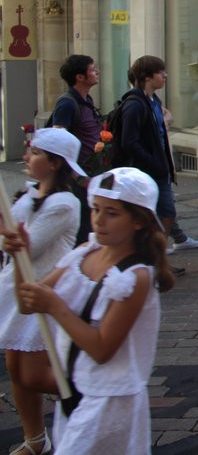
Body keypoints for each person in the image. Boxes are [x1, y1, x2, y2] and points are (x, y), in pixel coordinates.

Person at [3, 167, 173, 453]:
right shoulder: (84, 252)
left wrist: (55, 306)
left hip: (109, 401)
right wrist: (19, 256)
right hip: (73, 391)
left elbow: (102, 348)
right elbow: (27, 302)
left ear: (138, 221)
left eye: (112, 213)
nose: (99, 220)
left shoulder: (135, 277)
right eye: (95, 209)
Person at [0, 129, 82, 455]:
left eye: (34, 153)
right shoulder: (29, 193)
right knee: (15, 372)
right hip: (13, 291)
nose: (27, 157)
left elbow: (27, 249)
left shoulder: (65, 203)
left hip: (42, 292)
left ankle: (95, 395)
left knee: (34, 374)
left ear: (54, 163)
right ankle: (35, 439)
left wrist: (8, 236)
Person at [119, 56, 198, 274]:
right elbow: (129, 141)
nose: (165, 76)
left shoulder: (153, 101)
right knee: (157, 215)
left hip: (159, 169)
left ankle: (157, 261)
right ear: (146, 77)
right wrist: (153, 162)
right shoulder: (135, 104)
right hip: (148, 171)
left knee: (165, 214)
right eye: (160, 72)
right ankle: (151, 262)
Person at [48, 55, 103, 245]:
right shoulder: (67, 103)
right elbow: (57, 145)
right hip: (77, 179)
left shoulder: (85, 99)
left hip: (91, 173)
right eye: (92, 69)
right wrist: (78, 178)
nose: (97, 72)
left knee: (93, 227)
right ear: (80, 77)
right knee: (82, 231)